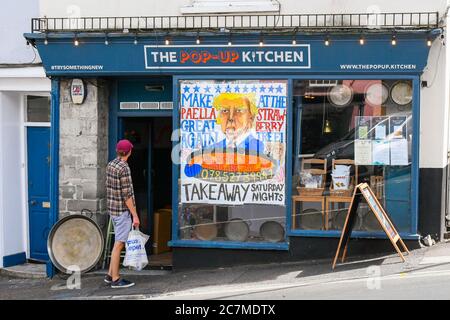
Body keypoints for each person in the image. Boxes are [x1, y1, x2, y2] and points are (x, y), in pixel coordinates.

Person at [104, 139, 140, 288]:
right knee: (119, 244)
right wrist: (135, 215)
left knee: (116, 243)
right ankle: (116, 279)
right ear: (129, 152)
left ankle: (109, 275)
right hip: (121, 211)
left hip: (112, 209)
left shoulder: (111, 164)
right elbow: (126, 195)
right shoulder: (124, 168)